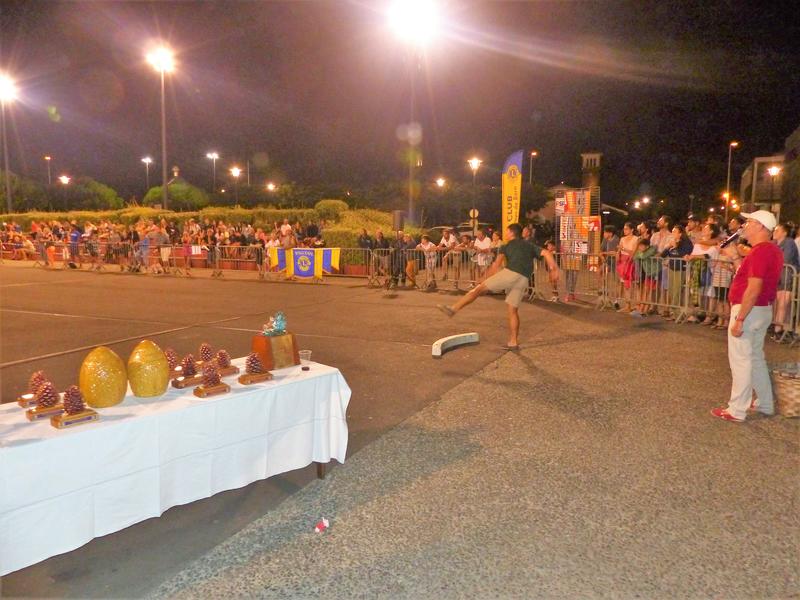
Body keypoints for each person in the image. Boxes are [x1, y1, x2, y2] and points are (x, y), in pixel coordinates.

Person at [436, 223, 559, 351]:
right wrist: (553, 269)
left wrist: (484, 278)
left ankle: (453, 309)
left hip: (511, 273)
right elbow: (546, 253)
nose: (505, 233)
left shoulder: (506, 246)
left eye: (507, 231)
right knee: (513, 310)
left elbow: (495, 266)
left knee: (478, 289)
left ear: (512, 233)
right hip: (523, 279)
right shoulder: (529, 245)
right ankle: (513, 342)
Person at [711, 210, 783, 422]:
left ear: (760, 226)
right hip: (761, 309)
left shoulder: (760, 251)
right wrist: (734, 256)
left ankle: (737, 409)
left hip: (749, 309)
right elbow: (747, 275)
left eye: (749, 222)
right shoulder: (770, 250)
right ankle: (765, 403)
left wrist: (740, 318)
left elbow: (754, 287)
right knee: (755, 358)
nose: (745, 226)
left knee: (741, 360)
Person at [771, 222, 799, 339]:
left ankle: (778, 330)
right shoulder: (775, 243)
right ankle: (782, 329)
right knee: (779, 304)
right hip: (779, 277)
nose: (774, 232)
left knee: (783, 304)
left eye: (777, 230)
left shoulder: (789, 242)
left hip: (787, 276)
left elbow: (785, 259)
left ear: (784, 232)